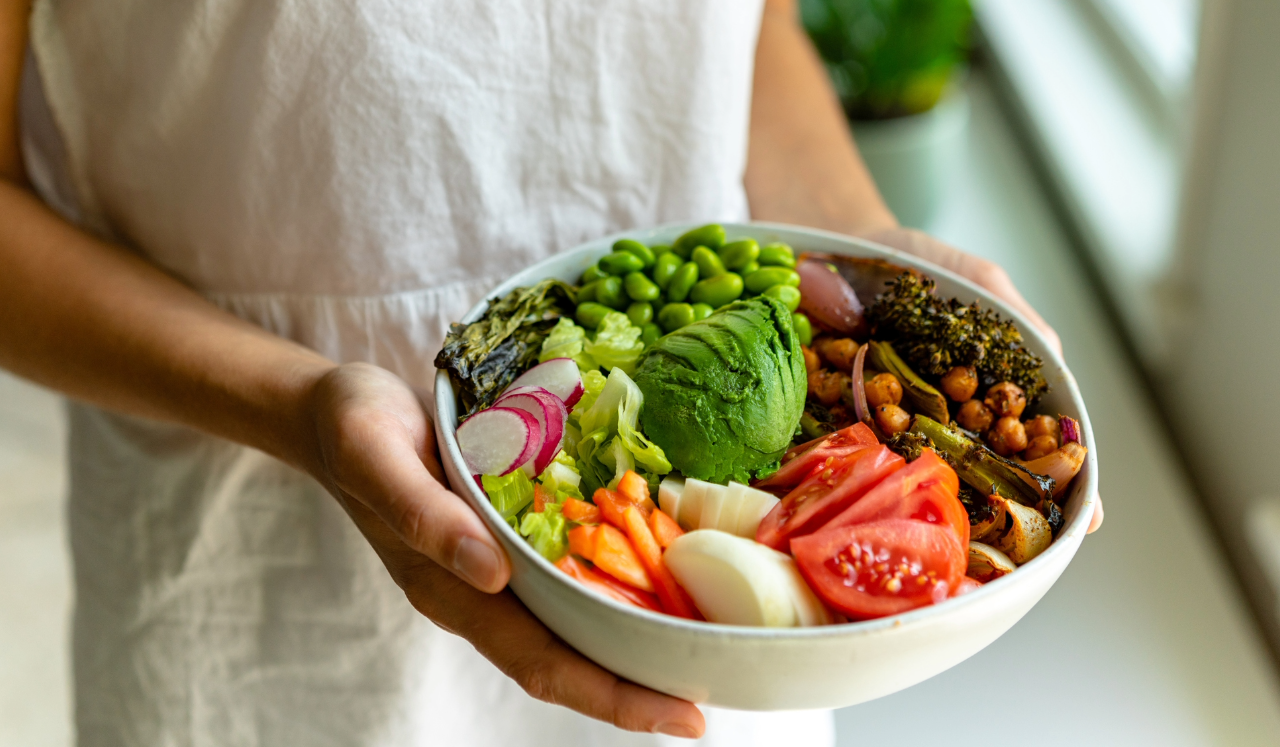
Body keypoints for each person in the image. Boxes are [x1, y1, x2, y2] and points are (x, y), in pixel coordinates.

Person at [0, 0, 1102, 743]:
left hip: (709, 593)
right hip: (249, 542)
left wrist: (872, 266)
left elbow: (745, 27)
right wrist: (297, 407)